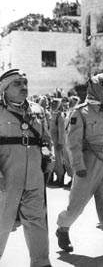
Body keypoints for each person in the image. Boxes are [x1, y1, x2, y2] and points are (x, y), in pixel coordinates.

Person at [56, 73, 103, 254]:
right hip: (89, 162)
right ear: (96, 87)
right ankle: (63, 228)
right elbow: (73, 143)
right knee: (77, 204)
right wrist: (78, 166)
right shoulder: (80, 111)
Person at [0, 69, 53, 267]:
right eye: (17, 84)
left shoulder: (37, 110)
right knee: (2, 223)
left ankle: (41, 263)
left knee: (37, 222)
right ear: (4, 88)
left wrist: (49, 157)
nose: (24, 87)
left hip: (34, 177)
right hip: (6, 179)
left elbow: (46, 139)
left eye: (25, 82)